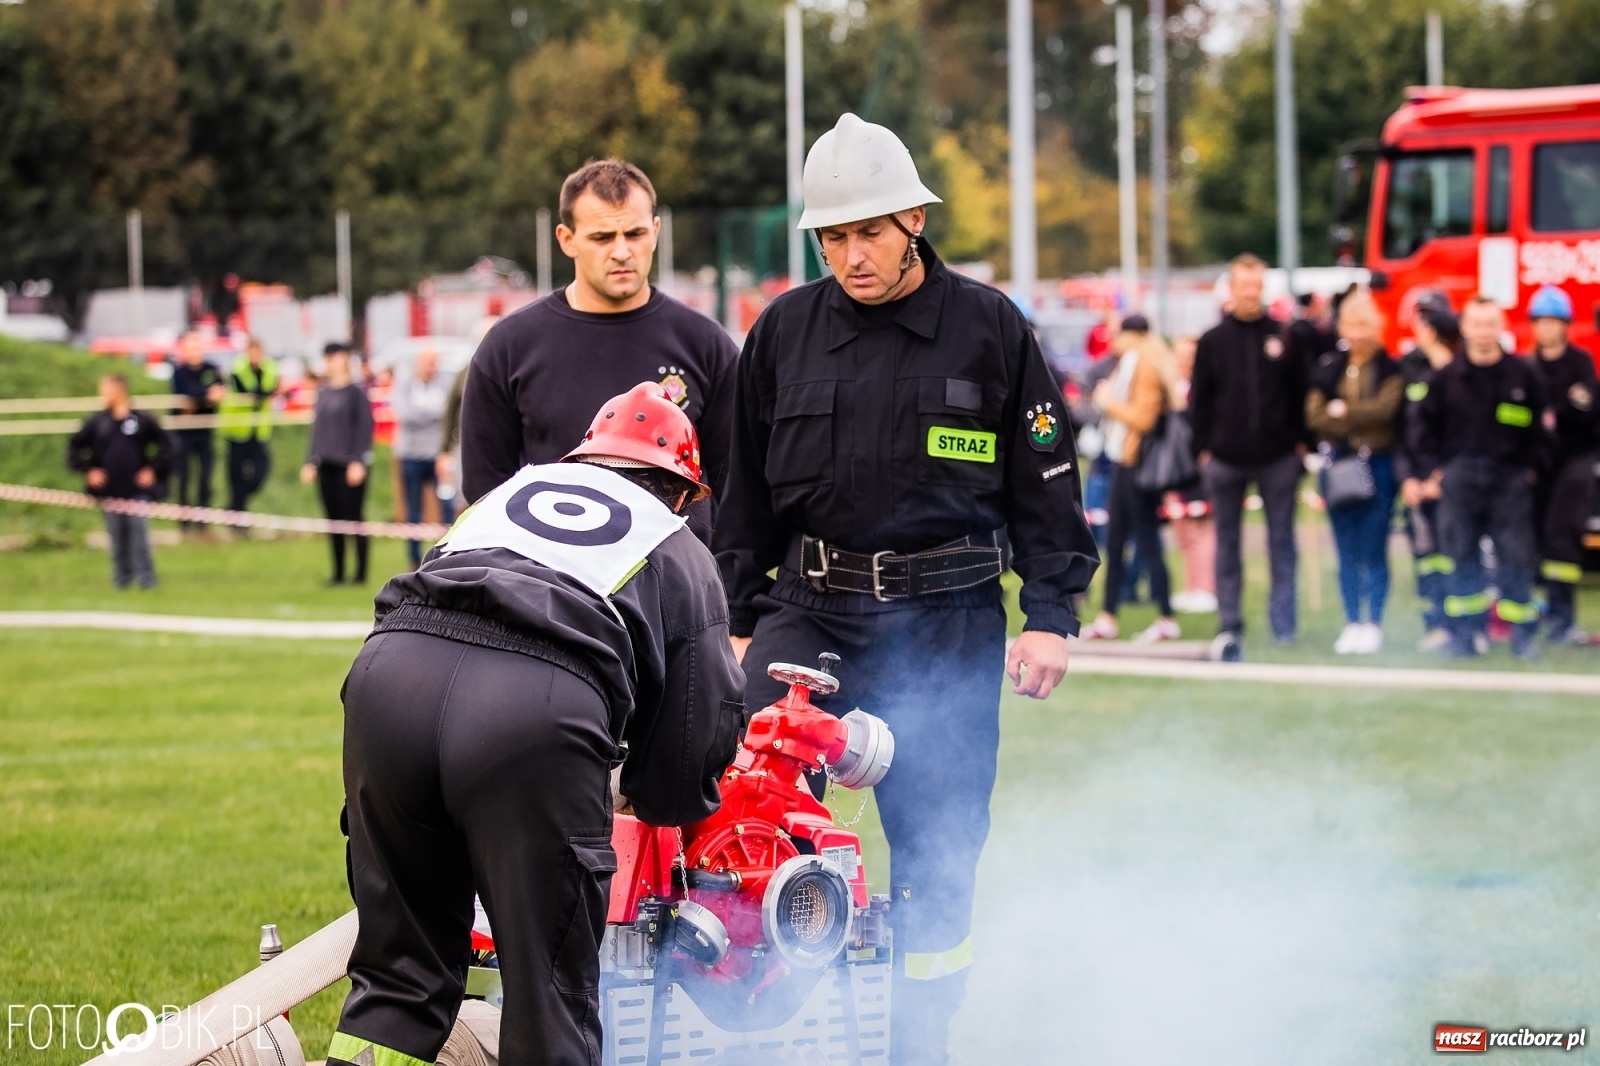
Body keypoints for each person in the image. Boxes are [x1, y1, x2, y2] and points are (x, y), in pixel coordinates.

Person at [714, 113, 1099, 1066]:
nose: (853, 255)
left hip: (947, 624)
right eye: (835, 237)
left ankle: (917, 1042)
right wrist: (733, 618)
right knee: (752, 824)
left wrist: (1050, 616)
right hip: (809, 613)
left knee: (938, 849)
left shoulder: (991, 330)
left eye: (871, 231)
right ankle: (765, 1026)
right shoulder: (783, 333)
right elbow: (743, 492)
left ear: (916, 218)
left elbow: (1048, 483)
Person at [325, 383, 744, 1066]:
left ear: (586, 461)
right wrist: (655, 792)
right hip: (530, 709)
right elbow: (698, 728)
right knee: (548, 995)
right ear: (679, 491)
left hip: (388, 682)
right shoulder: (674, 542)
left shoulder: (506, 498)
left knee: (397, 980)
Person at [460, 159, 740, 543]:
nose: (622, 251)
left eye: (635, 233)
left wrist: (715, 587)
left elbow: (738, 490)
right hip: (557, 589)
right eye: (603, 237)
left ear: (655, 231)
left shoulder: (705, 344)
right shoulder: (510, 346)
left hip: (677, 591)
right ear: (566, 238)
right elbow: (486, 491)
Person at [1410, 297, 1551, 660]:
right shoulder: (1448, 379)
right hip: (1460, 481)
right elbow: (1424, 430)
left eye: (1491, 324)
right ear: (1465, 328)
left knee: (1517, 558)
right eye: (1477, 324)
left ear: (1500, 327)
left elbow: (1544, 432)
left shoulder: (1524, 375)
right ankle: (1464, 636)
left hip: (1510, 482)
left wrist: (1532, 470)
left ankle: (1521, 636)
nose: (1484, 332)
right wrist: (1432, 472)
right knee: (1461, 558)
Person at [1189, 253, 1309, 660]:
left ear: (1264, 290)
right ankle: (1230, 622)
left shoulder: (1284, 336)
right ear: (1232, 289)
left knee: (1282, 542)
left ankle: (1284, 623)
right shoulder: (1213, 341)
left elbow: (1299, 393)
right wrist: (1202, 448)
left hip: (1278, 457)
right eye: (1243, 285)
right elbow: (1199, 401)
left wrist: (1300, 443)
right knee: (1228, 544)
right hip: (1225, 458)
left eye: (1256, 286)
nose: (1250, 293)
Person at [1306, 290, 1403, 655]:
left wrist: (1343, 412)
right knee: (1345, 549)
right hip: (1339, 465)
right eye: (1351, 323)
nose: (1358, 332)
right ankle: (1352, 620)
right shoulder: (1328, 366)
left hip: (1378, 463)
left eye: (1364, 323)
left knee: (1374, 547)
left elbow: (1386, 412)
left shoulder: (1390, 368)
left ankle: (1374, 620)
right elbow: (1314, 416)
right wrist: (1349, 420)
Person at [1082, 315, 1181, 642]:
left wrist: (1110, 403)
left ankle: (1165, 615)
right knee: (1118, 539)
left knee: (1145, 540)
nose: (1113, 342)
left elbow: (1143, 417)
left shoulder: (1144, 366)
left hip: (1135, 463)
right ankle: (1109, 615)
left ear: (1131, 335)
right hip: (1125, 460)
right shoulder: (1134, 363)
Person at [1525, 284, 1598, 643]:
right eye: (1541, 321)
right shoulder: (1526, 366)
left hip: (1576, 460)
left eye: (1554, 321)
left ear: (1565, 324)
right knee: (1535, 536)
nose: (1547, 328)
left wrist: (1556, 413)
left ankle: (1563, 619)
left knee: (1562, 539)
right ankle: (1537, 611)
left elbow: (1585, 408)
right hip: (1539, 462)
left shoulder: (1579, 362)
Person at [1397, 293, 1460, 651]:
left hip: (1456, 479)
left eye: (1430, 318)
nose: (1423, 325)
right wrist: (1409, 478)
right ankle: (1435, 623)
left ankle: (1467, 628)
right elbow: (1402, 432)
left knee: (1461, 554)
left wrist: (1443, 477)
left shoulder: (1465, 367)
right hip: (1418, 482)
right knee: (1427, 556)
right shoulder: (1407, 367)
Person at [67, 374, 172, 589]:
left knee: (139, 537)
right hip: (110, 491)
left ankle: (147, 580)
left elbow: (167, 446)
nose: (102, 395)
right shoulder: (98, 422)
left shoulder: (141, 420)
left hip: (136, 491)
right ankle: (122, 580)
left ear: (119, 391)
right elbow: (75, 448)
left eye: (106, 390)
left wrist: (153, 469)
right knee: (117, 539)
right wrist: (89, 471)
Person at [301, 343, 374, 585]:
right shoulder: (323, 392)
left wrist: (358, 460)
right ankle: (339, 572)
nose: (332, 362)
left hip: (349, 465)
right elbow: (317, 429)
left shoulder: (356, 393)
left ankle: (360, 572)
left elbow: (364, 428)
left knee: (353, 518)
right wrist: (311, 460)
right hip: (327, 464)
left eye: (336, 357)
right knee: (333, 520)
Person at [391, 346, 457, 567]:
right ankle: (413, 557)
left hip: (438, 457)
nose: (432, 367)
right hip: (411, 456)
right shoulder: (405, 385)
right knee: (413, 509)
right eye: (429, 362)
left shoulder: (445, 385)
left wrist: (429, 414)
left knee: (447, 505)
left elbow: (449, 413)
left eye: (435, 362)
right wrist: (434, 415)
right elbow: (406, 414)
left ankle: (449, 551)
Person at [1165, 333, 1217, 614]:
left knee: (1202, 530)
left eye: (1189, 356)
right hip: (1174, 470)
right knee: (1182, 530)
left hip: (1198, 468)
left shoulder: (1203, 388)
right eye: (1180, 356)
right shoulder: (1173, 388)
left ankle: (1206, 588)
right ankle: (1191, 585)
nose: (1184, 361)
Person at [170, 331, 225, 532]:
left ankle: (203, 523)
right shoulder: (179, 372)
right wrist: (205, 397)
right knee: (183, 479)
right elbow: (185, 396)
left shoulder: (211, 369)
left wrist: (199, 400)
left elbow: (220, 391)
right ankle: (184, 524)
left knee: (205, 476)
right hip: (182, 433)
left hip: (205, 431)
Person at [218, 337, 280, 512]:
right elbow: (251, 391)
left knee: (260, 472)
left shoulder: (269, 368)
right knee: (236, 475)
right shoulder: (238, 368)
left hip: (259, 431)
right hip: (237, 430)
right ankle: (237, 512)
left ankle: (235, 504)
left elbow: (268, 389)